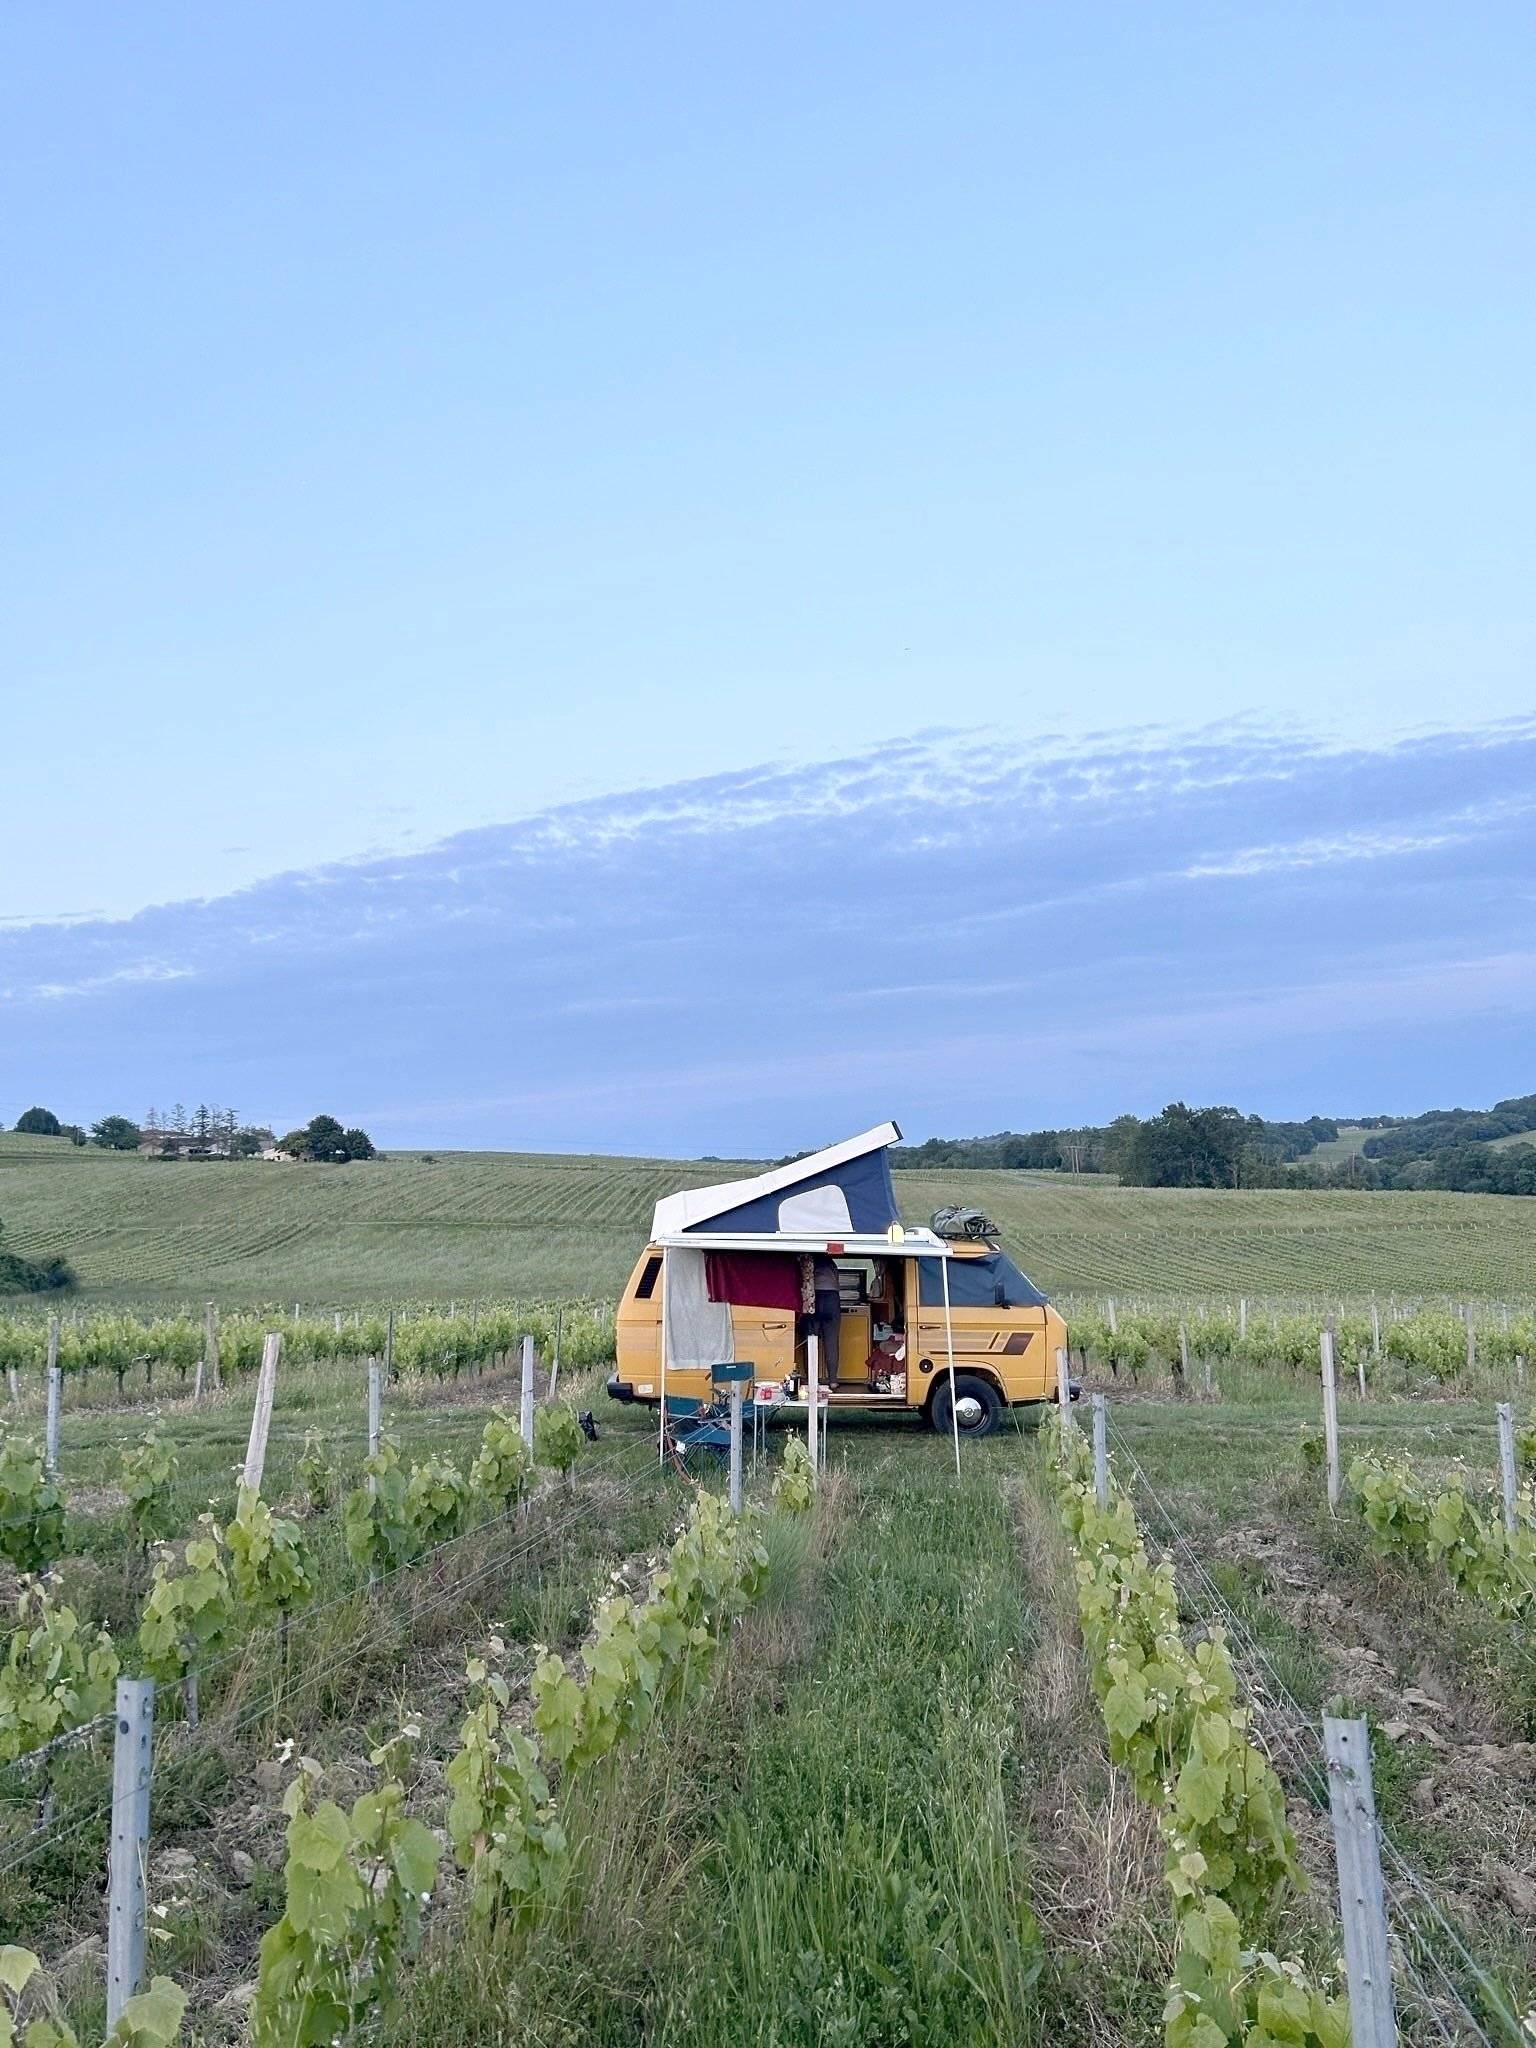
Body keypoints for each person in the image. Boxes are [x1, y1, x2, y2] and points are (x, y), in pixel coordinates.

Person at [811, 1252, 841, 1382]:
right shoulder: (831, 1264)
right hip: (832, 1298)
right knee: (832, 1342)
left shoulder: (809, 1262)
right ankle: (833, 1381)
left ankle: (812, 1380)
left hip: (814, 1296)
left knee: (811, 1340)